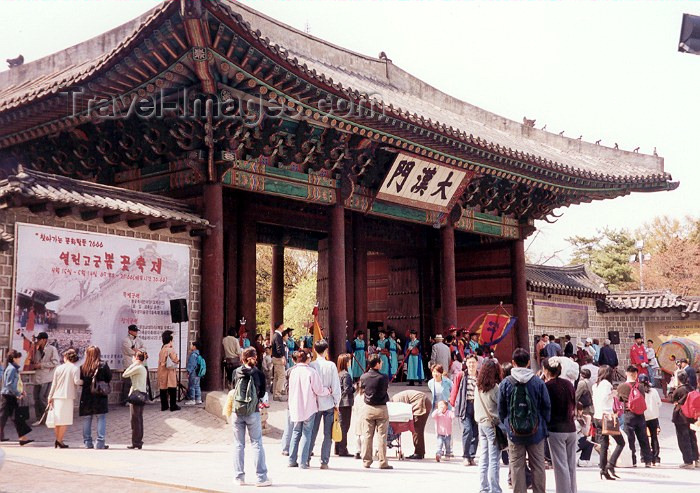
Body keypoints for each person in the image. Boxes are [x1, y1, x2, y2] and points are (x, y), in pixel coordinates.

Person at [498, 348, 551, 493]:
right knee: (538, 465)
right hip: (536, 432)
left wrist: (508, 426)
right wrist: (543, 425)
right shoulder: (538, 382)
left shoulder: (506, 383)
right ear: (528, 363)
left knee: (516, 466)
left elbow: (501, 410)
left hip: (514, 433)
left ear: (513, 363)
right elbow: (546, 407)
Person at [227, 347, 271, 487]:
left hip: (237, 411)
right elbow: (262, 392)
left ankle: (239, 477)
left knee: (239, 444)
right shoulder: (258, 373)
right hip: (253, 412)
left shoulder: (236, 372)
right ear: (255, 358)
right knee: (257, 443)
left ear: (242, 359)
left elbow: (233, 387)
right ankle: (261, 477)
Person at [287, 350, 330, 469]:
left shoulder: (293, 372)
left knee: (296, 432)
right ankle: (303, 461)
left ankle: (291, 460)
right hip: (308, 407)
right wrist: (328, 390)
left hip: (295, 406)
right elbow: (318, 390)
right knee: (307, 433)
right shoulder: (311, 372)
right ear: (307, 359)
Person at [542, 358, 577, 493]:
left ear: (546, 370)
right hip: (571, 427)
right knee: (571, 465)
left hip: (556, 429)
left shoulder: (547, 386)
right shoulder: (569, 384)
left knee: (560, 466)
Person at [309, 340, 341, 469]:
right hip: (328, 403)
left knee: (312, 432)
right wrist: (336, 403)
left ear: (315, 350)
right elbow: (336, 386)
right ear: (326, 350)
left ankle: (306, 458)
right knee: (328, 434)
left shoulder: (311, 365)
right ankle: (324, 461)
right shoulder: (331, 365)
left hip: (314, 404)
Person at [592, 365, 625, 479]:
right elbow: (605, 397)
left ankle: (603, 469)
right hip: (607, 416)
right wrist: (614, 393)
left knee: (604, 445)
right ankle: (610, 464)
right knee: (621, 442)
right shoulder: (607, 384)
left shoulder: (595, 385)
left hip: (597, 416)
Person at [359, 355, 393, 470]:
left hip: (368, 407)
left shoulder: (364, 377)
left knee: (368, 435)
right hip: (381, 408)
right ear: (377, 364)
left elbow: (362, 389)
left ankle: (367, 461)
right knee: (382, 436)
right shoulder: (384, 377)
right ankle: (383, 461)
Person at [474, 359, 502, 493]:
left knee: (483, 457)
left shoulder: (477, 387)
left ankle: (483, 487)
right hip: (492, 426)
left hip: (481, 424)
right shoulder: (495, 389)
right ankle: (495, 489)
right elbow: (502, 407)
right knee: (494, 459)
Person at [617, 365, 652, 467]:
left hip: (628, 414)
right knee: (643, 438)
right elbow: (642, 398)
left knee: (630, 439)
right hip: (640, 415)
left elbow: (619, 400)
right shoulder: (640, 386)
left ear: (626, 374)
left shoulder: (621, 386)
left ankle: (633, 461)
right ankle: (647, 460)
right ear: (636, 374)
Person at [79, 346, 111, 449]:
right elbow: (108, 377)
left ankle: (88, 442)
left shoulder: (83, 367)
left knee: (87, 418)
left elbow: (81, 381)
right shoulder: (103, 365)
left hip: (87, 395)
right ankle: (100, 442)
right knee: (101, 417)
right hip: (100, 394)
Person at [47, 349, 81, 448]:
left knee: (57, 420)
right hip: (67, 396)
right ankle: (59, 440)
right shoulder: (75, 368)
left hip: (56, 395)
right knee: (64, 420)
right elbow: (77, 381)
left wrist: (50, 396)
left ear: (66, 357)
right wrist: (84, 382)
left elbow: (54, 383)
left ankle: (58, 439)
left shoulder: (59, 368)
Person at [452, 354, 479, 466]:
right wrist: (453, 404)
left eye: (473, 362)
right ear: (466, 364)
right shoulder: (461, 375)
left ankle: (472, 456)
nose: (471, 365)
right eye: (469, 362)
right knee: (467, 430)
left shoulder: (480, 376)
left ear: (477, 363)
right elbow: (455, 389)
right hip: (465, 405)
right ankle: (466, 456)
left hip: (478, 406)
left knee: (476, 433)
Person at [0, 350, 33, 445]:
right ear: (14, 358)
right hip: (8, 396)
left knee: (14, 417)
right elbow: (9, 384)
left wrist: (20, 391)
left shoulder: (12, 368)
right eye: (18, 357)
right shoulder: (12, 369)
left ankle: (22, 437)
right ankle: (22, 438)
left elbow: (14, 383)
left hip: (9, 395)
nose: (20, 359)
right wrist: (18, 394)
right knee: (7, 417)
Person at [30, 332, 60, 425]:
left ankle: (47, 417)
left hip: (46, 377)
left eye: (39, 339)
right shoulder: (37, 349)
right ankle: (39, 418)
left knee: (42, 397)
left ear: (44, 340)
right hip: (37, 377)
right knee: (35, 398)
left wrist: (41, 365)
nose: (37, 341)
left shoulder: (52, 349)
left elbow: (55, 362)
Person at [392, 389, 431, 460]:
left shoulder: (394, 402)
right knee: (419, 429)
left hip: (420, 402)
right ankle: (420, 452)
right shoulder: (395, 398)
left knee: (416, 430)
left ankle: (418, 453)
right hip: (423, 401)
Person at [672, 372, 700, 468]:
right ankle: (696, 459)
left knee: (683, 439)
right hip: (691, 416)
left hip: (681, 416)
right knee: (692, 437)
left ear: (678, 379)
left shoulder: (680, 390)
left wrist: (672, 388)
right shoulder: (691, 388)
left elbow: (672, 399)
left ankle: (688, 461)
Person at [122, 350, 148, 450]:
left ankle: (136, 442)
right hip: (141, 394)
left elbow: (125, 374)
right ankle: (138, 441)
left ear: (136, 358)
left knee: (135, 419)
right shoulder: (143, 368)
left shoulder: (138, 367)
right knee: (138, 418)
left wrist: (133, 364)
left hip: (136, 395)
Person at [639, 373, 662, 465]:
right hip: (653, 417)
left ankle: (644, 457)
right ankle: (655, 458)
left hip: (642, 416)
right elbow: (659, 404)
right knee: (654, 437)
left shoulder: (638, 391)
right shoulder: (654, 391)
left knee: (643, 437)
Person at [335, 353, 354, 457]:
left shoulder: (339, 374)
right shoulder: (346, 375)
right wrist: (354, 387)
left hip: (340, 403)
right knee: (345, 426)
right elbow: (347, 389)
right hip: (346, 403)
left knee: (340, 425)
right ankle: (343, 449)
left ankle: (337, 447)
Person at [121, 324, 145, 405]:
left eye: (136, 331)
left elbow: (144, 348)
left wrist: (137, 350)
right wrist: (138, 351)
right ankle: (125, 400)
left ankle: (134, 399)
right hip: (129, 364)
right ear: (130, 331)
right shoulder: (126, 340)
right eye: (134, 331)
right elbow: (129, 351)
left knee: (135, 383)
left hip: (137, 364)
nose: (136, 332)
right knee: (127, 383)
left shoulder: (138, 340)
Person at [157, 330, 180, 412]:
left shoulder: (162, 349)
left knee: (163, 388)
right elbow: (175, 359)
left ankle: (164, 406)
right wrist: (178, 360)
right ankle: (173, 406)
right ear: (170, 339)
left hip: (162, 370)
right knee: (172, 388)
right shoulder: (170, 349)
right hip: (170, 371)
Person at [271, 322, 287, 400]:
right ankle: (278, 394)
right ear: (280, 326)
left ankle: (275, 393)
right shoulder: (277, 336)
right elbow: (279, 347)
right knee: (282, 376)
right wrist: (282, 356)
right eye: (282, 325)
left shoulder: (275, 335)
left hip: (275, 358)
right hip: (278, 358)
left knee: (276, 376)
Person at [184, 340, 203, 406]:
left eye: (192, 345)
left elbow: (191, 365)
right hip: (198, 372)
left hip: (193, 372)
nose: (191, 346)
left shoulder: (193, 355)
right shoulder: (198, 354)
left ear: (195, 347)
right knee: (197, 386)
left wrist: (188, 372)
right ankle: (198, 399)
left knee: (192, 386)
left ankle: (192, 399)